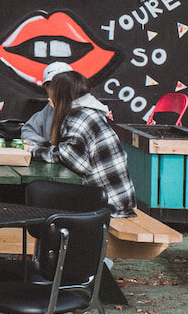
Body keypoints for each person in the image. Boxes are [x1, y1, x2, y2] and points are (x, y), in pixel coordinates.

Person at [31, 69, 137, 217]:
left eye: (52, 93)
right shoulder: (87, 112)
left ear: (61, 95)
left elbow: (76, 162)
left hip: (108, 206)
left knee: (37, 190)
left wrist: (33, 152)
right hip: (118, 199)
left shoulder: (78, 117)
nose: (49, 99)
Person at [21, 61, 73, 145]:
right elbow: (27, 130)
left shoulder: (83, 107)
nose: (54, 88)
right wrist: (44, 144)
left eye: (59, 83)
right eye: (49, 85)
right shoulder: (49, 109)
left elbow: (69, 148)